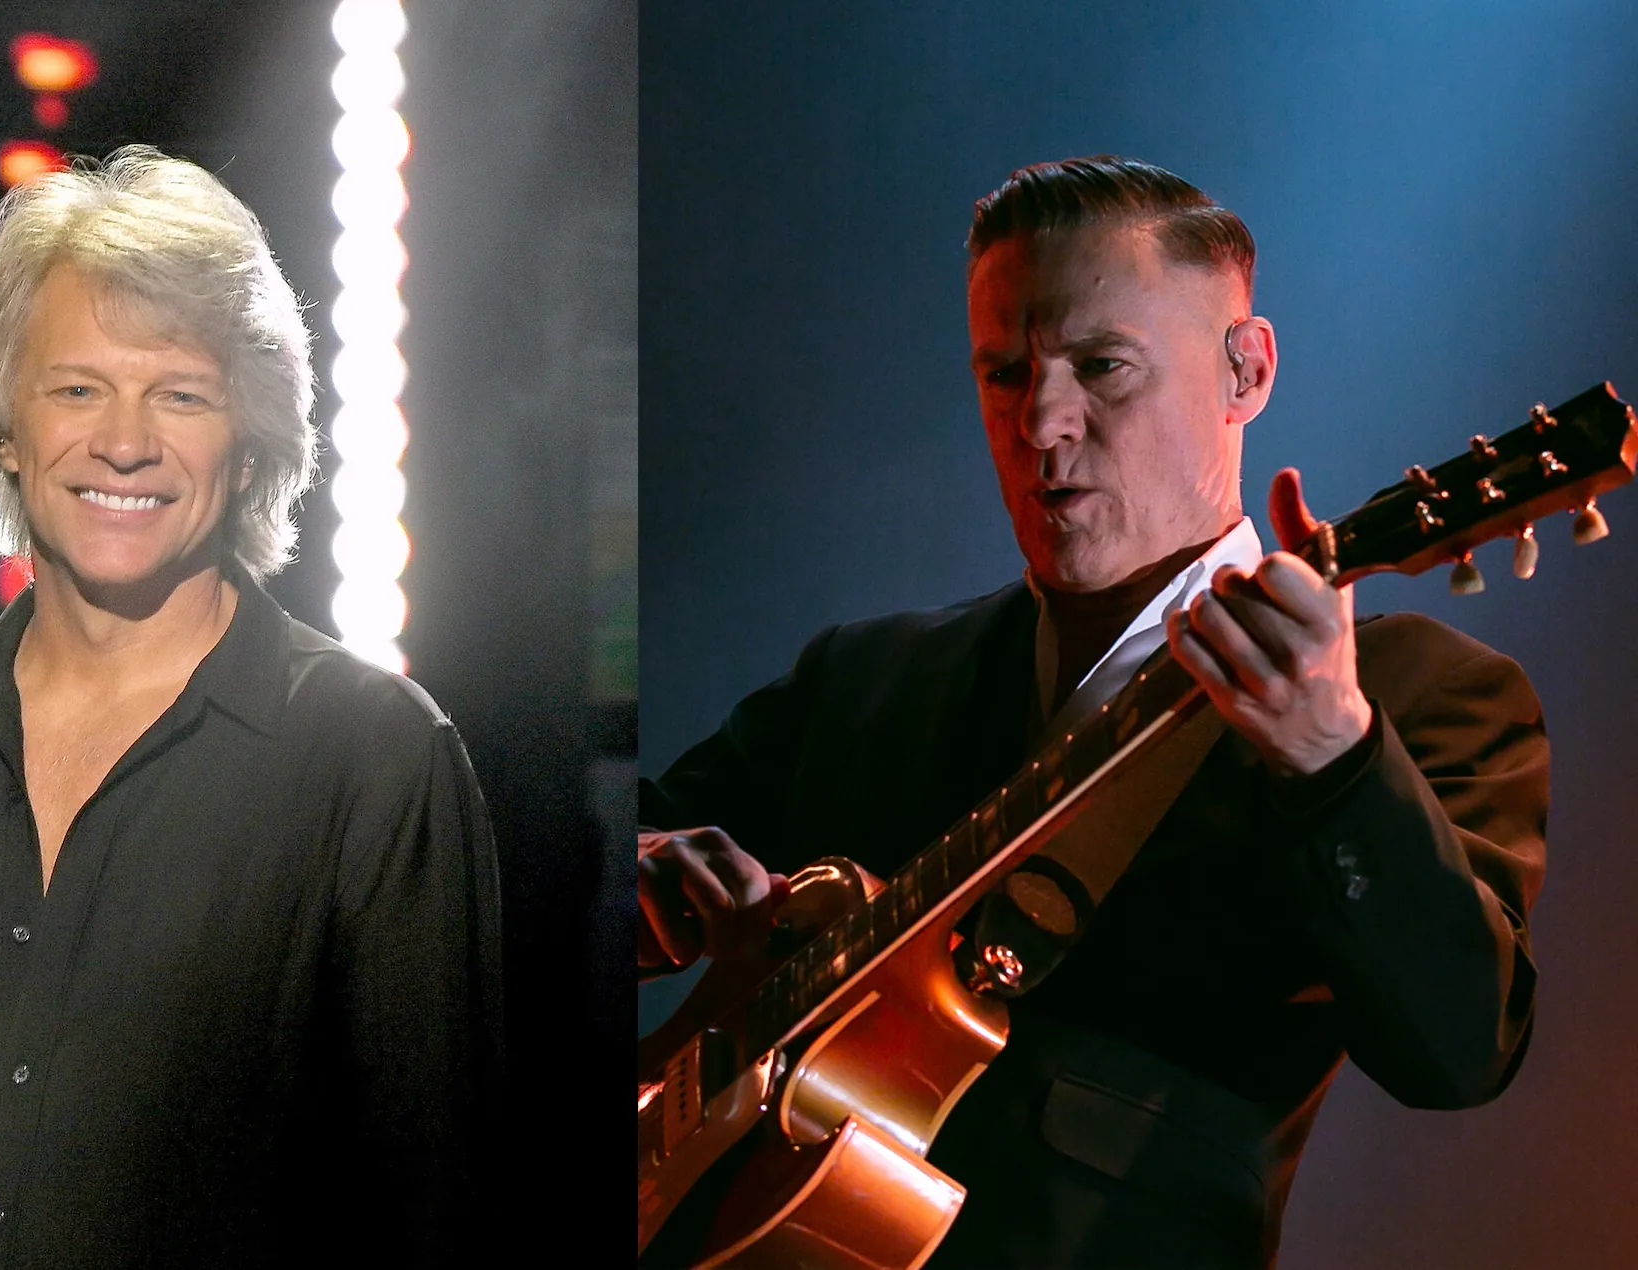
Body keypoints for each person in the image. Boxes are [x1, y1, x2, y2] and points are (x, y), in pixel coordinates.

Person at [639, 156, 1545, 1268]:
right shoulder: (865, 673)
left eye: (1100, 367)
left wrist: (1331, 757)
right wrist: (650, 881)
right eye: (1001, 373)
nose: (1041, 423)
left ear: (1242, 369)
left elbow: (1458, 1051)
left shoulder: (1413, 697)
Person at [0, 146, 503, 1268]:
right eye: (77, 388)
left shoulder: (371, 758)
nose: (124, 441)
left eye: (178, 394)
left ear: (247, 446)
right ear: (5, 432)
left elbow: (431, 1211)